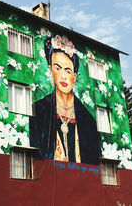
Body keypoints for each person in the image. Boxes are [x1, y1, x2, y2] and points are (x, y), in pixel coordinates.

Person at [29, 35, 100, 165]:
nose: (63, 76)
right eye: (57, 68)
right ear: (51, 70)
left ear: (75, 75)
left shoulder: (89, 121)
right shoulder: (38, 111)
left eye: (68, 71)